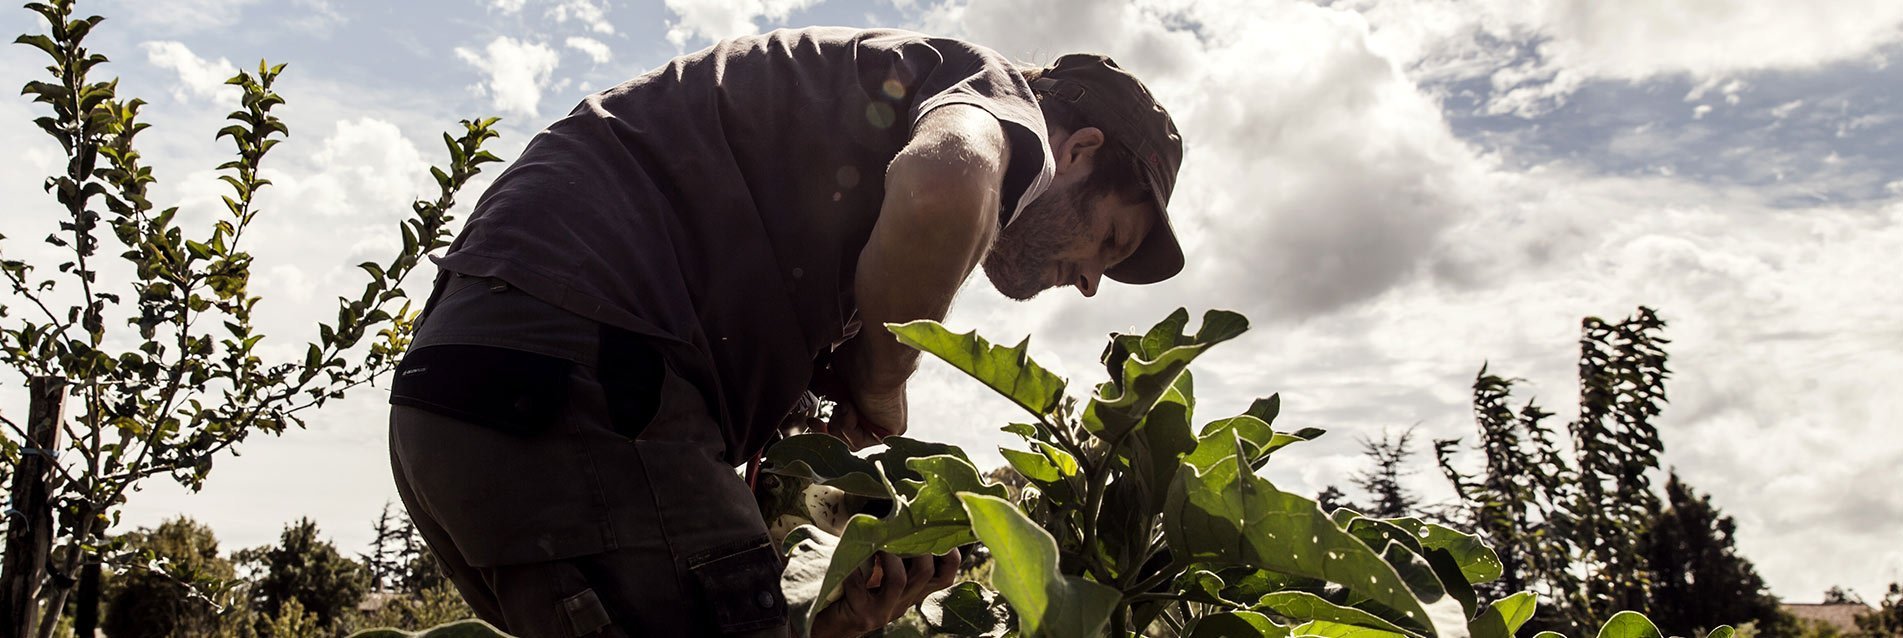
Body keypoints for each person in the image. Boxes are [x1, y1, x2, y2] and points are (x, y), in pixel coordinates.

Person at [385, 26, 1185, 638]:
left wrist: (815, 613)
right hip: (582, 373)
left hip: (463, 396)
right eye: (1107, 243)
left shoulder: (826, 134)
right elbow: (943, 190)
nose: (1088, 281)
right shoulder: (994, 96)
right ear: (1076, 151)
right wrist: (882, 376)